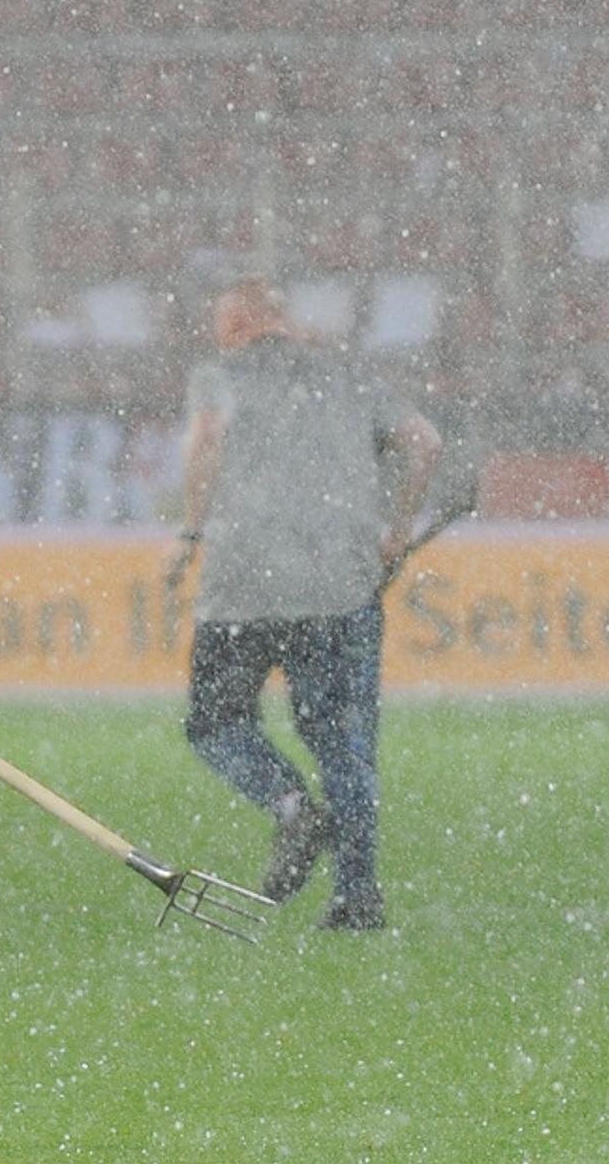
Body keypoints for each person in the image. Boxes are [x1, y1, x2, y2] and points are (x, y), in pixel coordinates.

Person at [169, 279, 441, 931]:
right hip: (340, 588)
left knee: (215, 723)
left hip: (243, 585)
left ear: (238, 324)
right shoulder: (349, 375)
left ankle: (290, 805)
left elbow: (207, 441)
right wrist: (397, 531)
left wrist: (188, 536)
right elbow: (424, 442)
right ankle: (356, 898)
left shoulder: (220, 376)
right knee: (343, 748)